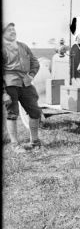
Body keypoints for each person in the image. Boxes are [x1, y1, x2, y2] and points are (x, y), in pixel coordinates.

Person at [2, 22, 43, 152]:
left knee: (35, 111)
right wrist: (3, 93)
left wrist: (31, 76)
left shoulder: (23, 46)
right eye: (9, 30)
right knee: (12, 114)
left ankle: (35, 142)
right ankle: (15, 145)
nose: (13, 32)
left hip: (26, 84)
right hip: (10, 85)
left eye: (14, 30)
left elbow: (35, 62)